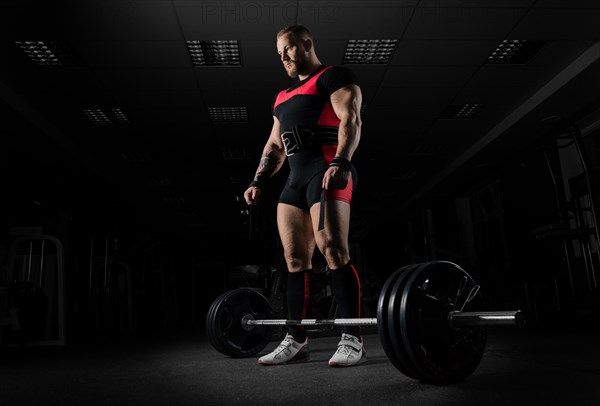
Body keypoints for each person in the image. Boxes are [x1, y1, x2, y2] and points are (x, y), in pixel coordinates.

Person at [243, 25, 364, 367]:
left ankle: (353, 338)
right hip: (295, 179)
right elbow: (274, 145)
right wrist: (257, 181)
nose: (283, 57)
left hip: (327, 169)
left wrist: (342, 160)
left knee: (333, 250)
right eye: (279, 53)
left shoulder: (333, 76)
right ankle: (296, 339)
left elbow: (350, 119)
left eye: (288, 49)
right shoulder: (281, 97)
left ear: (307, 43)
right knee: (294, 259)